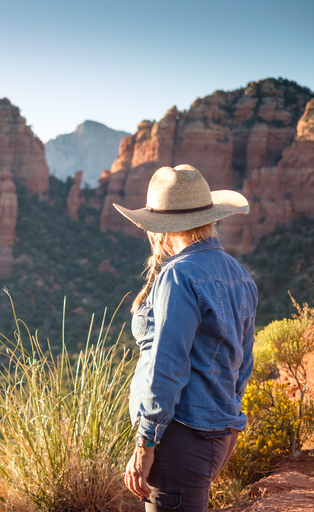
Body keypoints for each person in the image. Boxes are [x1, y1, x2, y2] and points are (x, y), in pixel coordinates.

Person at [115, 165, 258, 512]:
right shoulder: (239, 274)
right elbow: (243, 365)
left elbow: (167, 366)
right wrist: (227, 419)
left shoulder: (179, 275)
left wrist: (145, 442)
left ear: (160, 225)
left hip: (180, 438)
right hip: (216, 434)